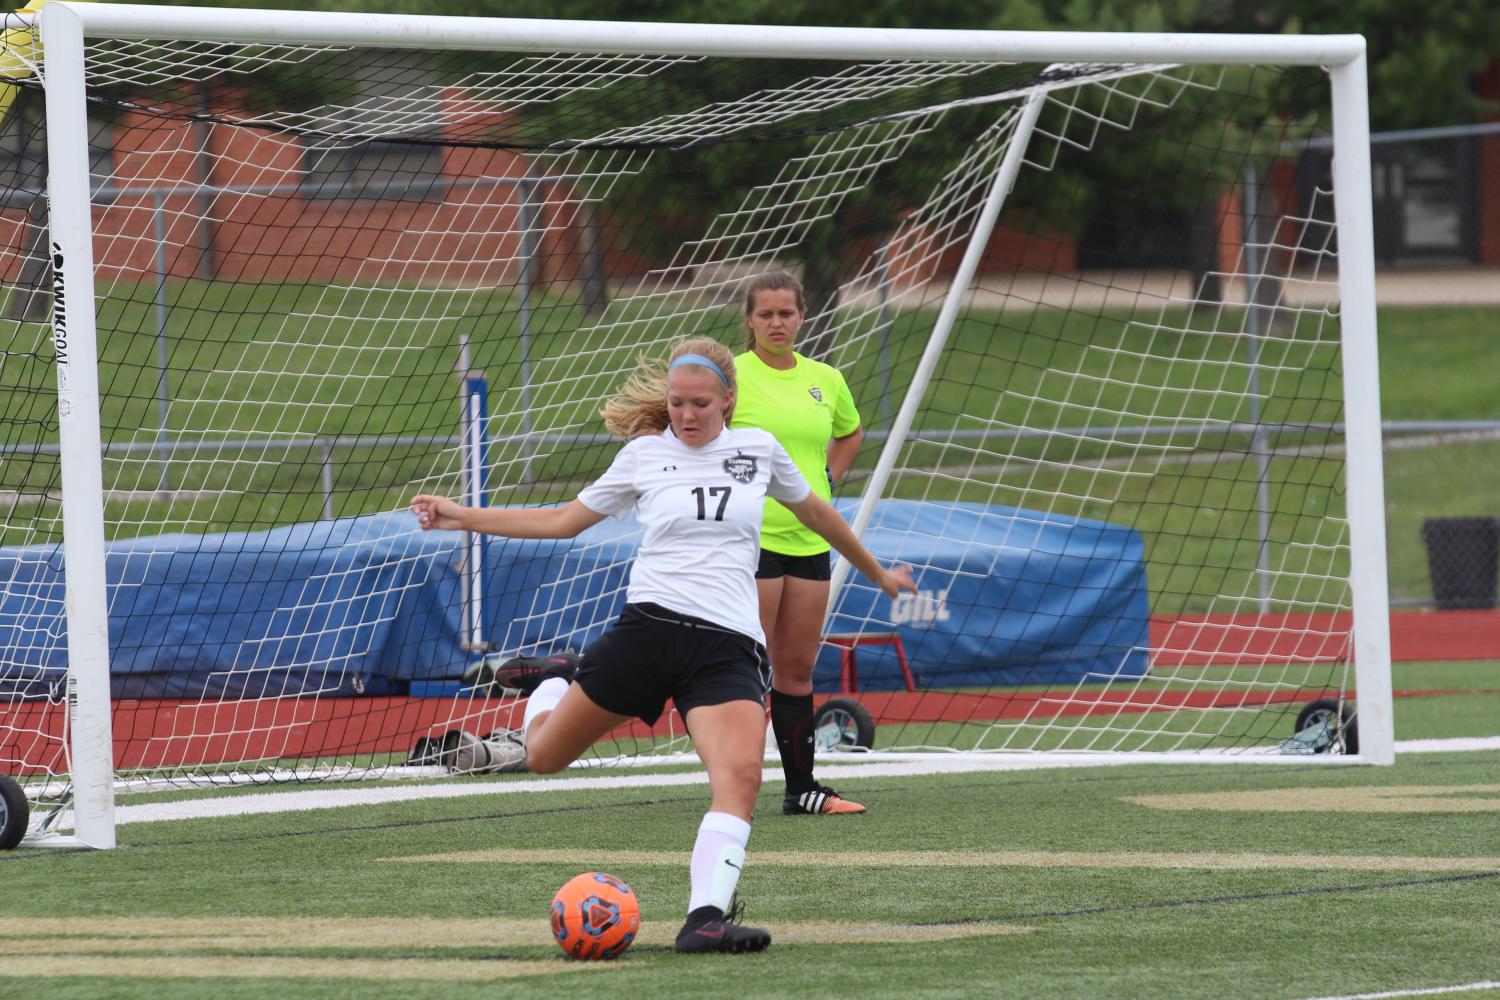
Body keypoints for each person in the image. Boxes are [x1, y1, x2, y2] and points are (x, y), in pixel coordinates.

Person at [410, 336, 914, 955]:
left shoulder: (758, 450)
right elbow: (563, 521)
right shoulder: (644, 455)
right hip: (649, 632)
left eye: (701, 403)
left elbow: (819, 515)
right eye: (677, 403)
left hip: (728, 646)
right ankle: (553, 682)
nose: (687, 415)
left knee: (741, 779)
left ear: (729, 400)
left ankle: (704, 918)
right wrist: (461, 514)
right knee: (542, 757)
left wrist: (878, 572)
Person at [733, 270, 869, 816]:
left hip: (809, 542)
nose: (776, 323)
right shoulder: (730, 376)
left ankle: (801, 789)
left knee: (795, 671)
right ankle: (734, 786)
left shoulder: (825, 379)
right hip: (750, 541)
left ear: (802, 317)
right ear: (749, 320)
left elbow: (850, 430)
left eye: (785, 313)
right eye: (765, 314)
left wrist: (826, 482)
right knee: (746, 667)